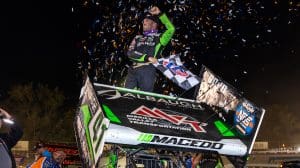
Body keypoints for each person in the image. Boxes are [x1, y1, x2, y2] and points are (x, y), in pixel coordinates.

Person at [125, 6, 175, 92]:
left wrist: (160, 14)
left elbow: (171, 29)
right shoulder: (137, 37)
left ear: (154, 24)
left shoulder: (160, 38)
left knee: (145, 98)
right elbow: (130, 53)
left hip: (147, 70)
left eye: (147, 20)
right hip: (132, 70)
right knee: (125, 97)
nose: (144, 21)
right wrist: (147, 57)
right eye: (144, 20)